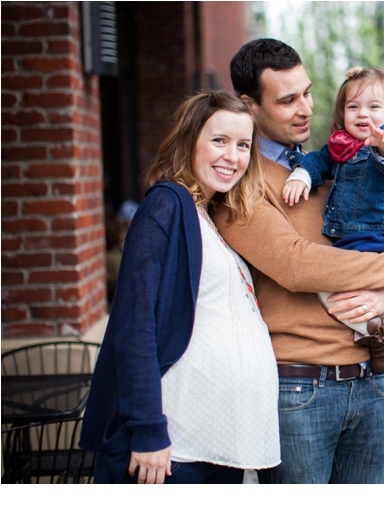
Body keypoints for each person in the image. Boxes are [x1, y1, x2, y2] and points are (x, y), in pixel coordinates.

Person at [215, 38, 384, 484]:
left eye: (307, 92)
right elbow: (296, 264)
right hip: (301, 390)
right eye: (288, 100)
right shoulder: (240, 185)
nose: (306, 108)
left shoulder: (339, 162)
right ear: (250, 107)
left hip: (372, 380)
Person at [80, 91, 280, 484]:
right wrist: (148, 429)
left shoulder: (206, 215)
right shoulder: (166, 206)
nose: (233, 156)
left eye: (243, 145)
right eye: (219, 141)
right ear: (190, 140)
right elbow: (134, 326)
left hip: (216, 441)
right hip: (175, 443)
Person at [281, 66, 384, 423]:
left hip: (378, 240)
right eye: (353, 107)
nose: (363, 114)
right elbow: (319, 160)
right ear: (341, 114)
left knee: (332, 292)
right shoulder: (342, 148)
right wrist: (302, 173)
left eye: (374, 107)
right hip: (356, 242)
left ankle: (379, 335)